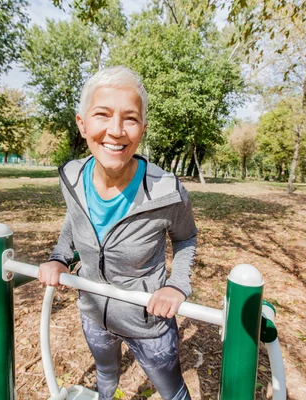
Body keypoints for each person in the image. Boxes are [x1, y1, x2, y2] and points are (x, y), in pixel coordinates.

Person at [37, 66, 197, 400]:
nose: (116, 130)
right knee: (106, 376)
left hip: (148, 321)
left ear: (142, 129)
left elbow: (186, 237)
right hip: (94, 313)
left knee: (174, 393)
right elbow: (75, 219)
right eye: (102, 114)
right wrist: (60, 257)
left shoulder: (167, 191)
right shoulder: (72, 176)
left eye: (130, 118)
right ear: (82, 124)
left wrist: (176, 284)